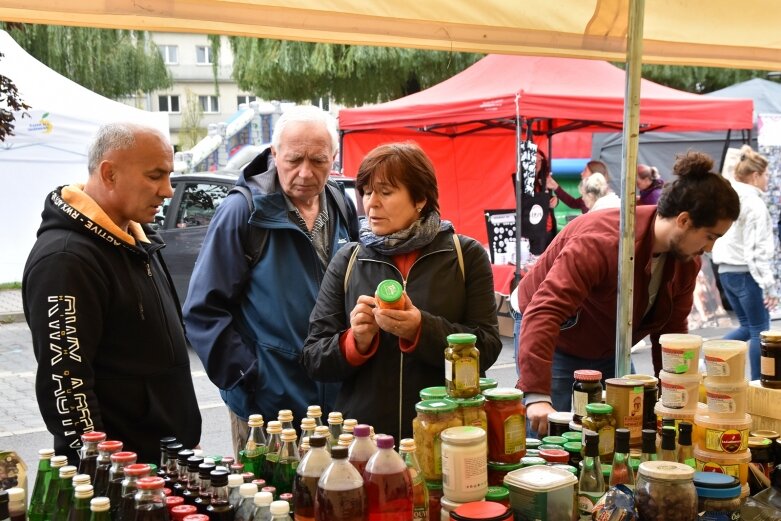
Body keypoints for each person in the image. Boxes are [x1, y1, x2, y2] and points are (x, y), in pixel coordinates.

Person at [516, 151, 740, 435]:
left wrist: (674, 395)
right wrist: (536, 395)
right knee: (550, 432)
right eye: (710, 236)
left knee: (623, 428)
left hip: (611, 344)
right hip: (558, 336)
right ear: (684, 220)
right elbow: (544, 311)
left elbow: (672, 335)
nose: (709, 249)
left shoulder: (687, 262)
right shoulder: (603, 241)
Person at [183, 106, 359, 456]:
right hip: (266, 409)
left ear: (334, 158)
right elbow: (203, 311)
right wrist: (248, 376)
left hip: (332, 402)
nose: (306, 173)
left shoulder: (340, 202)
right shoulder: (243, 212)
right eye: (294, 160)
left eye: (318, 161)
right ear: (274, 154)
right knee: (268, 506)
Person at [23, 123, 202, 464]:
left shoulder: (135, 238)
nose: (166, 191)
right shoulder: (66, 259)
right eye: (155, 176)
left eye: (169, 176)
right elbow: (67, 387)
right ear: (109, 174)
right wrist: (105, 475)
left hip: (163, 463)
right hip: (124, 482)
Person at [301, 142, 502, 442]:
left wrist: (422, 329)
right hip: (364, 441)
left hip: (446, 433)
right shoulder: (349, 259)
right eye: (366, 192)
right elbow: (314, 357)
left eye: (385, 192)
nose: (371, 204)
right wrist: (355, 342)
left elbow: (486, 347)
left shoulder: (465, 255)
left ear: (420, 197)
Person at [712, 145, 778, 380]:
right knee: (760, 330)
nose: (768, 179)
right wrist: (769, 286)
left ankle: (709, 360)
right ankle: (757, 383)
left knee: (747, 327)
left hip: (727, 272)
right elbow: (756, 250)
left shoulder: (729, 197)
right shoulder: (754, 203)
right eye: (767, 174)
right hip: (745, 272)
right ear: (755, 175)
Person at [546, 160, 611, 213]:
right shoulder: (592, 194)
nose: (581, 173)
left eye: (585, 170)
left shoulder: (600, 200)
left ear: (594, 175)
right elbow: (573, 203)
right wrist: (556, 187)